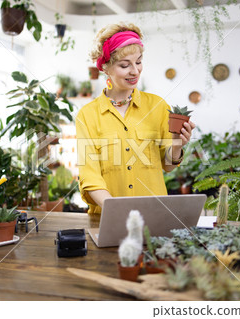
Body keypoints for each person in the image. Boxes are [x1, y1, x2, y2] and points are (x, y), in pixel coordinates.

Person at [76, 22, 195, 214]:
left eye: (138, 62)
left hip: (154, 214)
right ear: (106, 67)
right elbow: (90, 177)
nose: (135, 71)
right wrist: (118, 212)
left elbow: (168, 165)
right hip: (108, 217)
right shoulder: (88, 115)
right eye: (125, 65)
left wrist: (177, 143)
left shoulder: (158, 106)